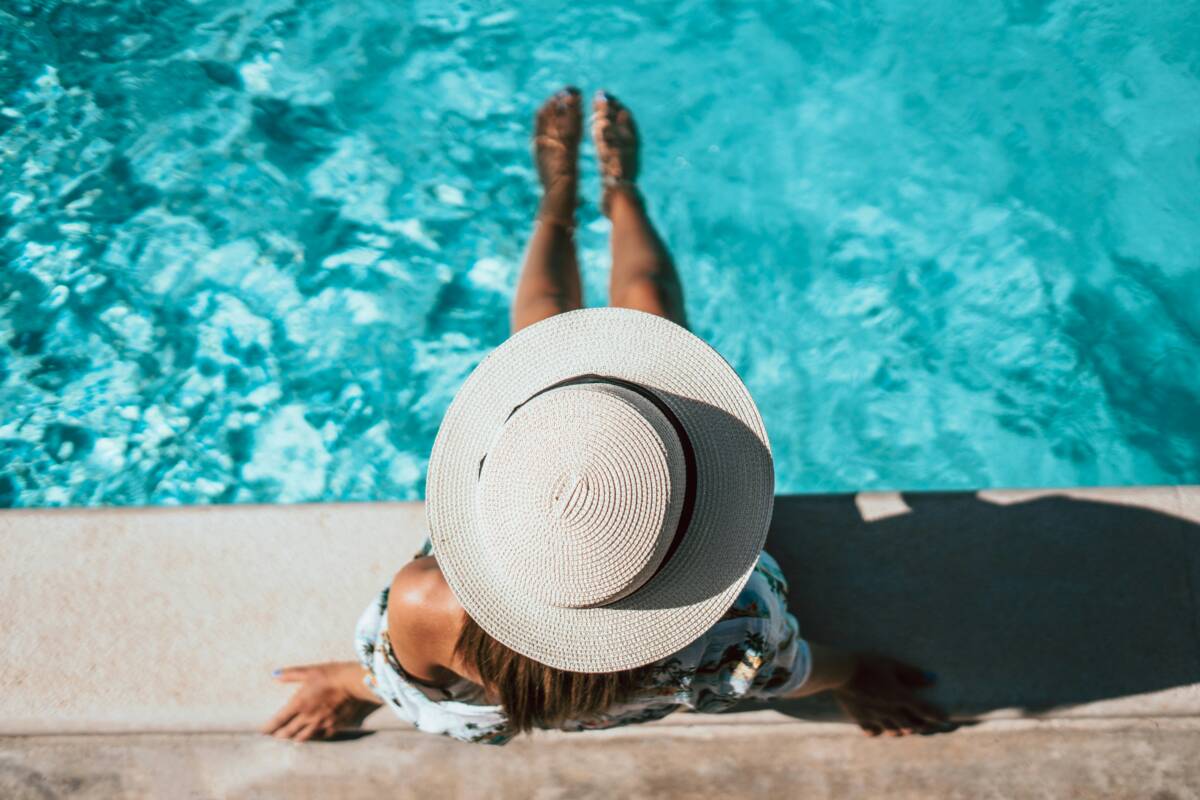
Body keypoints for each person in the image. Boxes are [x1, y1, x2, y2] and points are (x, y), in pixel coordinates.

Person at [262, 87, 949, 745]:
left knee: (542, 327)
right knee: (646, 301)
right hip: (650, 628)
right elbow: (787, 671)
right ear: (700, 527)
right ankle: (623, 193)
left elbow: (417, 691)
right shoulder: (733, 619)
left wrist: (349, 683)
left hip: (539, 563)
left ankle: (556, 202)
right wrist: (855, 674)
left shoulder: (427, 602)